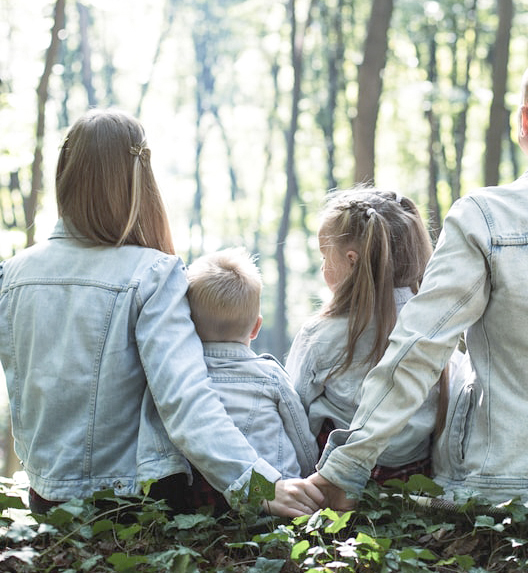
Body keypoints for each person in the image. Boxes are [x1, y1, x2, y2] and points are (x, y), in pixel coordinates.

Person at [308, 50, 528, 509]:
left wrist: (346, 467)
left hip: (504, 485)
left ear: (524, 120)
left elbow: (419, 347)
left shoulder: (485, 216)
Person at [0, 108, 323, 517]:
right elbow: (185, 400)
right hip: (130, 504)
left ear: (65, 171)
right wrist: (259, 484)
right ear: (139, 181)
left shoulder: (12, 273)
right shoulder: (153, 273)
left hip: (46, 501)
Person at [286, 187, 467, 483]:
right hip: (413, 477)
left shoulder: (321, 334)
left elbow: (295, 410)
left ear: (352, 260)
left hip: (335, 479)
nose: (322, 266)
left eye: (324, 256)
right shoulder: (436, 330)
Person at [185, 247, 318, 495]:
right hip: (279, 493)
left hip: (209, 499)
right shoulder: (270, 376)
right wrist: (309, 475)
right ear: (256, 327)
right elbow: (301, 437)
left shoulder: (184, 379)